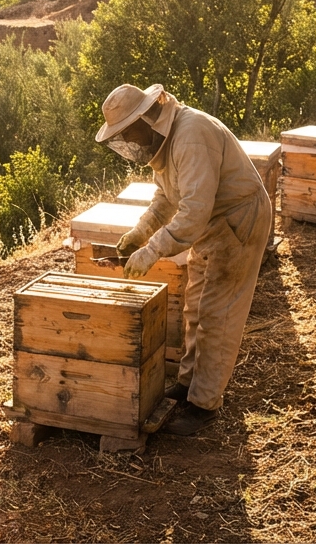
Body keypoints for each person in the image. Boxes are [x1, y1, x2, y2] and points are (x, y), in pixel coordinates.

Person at [95, 83, 272, 435]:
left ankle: (204, 404)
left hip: (237, 221)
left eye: (130, 132)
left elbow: (192, 211)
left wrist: (153, 250)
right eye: (123, 136)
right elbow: (166, 197)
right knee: (194, 307)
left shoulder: (191, 136)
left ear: (146, 118)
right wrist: (140, 232)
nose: (130, 141)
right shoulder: (168, 140)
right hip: (213, 225)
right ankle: (190, 384)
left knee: (217, 314)